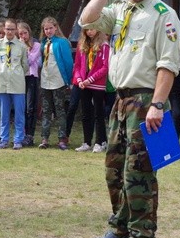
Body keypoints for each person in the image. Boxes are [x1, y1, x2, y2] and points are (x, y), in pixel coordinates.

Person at [81, 0, 180, 238]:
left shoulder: (163, 14)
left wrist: (158, 105)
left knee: (139, 170)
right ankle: (120, 227)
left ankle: (142, 236)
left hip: (146, 99)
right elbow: (86, 20)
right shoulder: (120, 9)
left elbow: (168, 65)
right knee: (114, 168)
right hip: (121, 99)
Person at [37, 16, 74, 150]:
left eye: (50, 28)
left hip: (58, 80)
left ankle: (62, 138)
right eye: (45, 29)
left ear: (56, 28)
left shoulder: (62, 42)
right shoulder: (43, 43)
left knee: (60, 110)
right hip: (45, 80)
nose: (48, 31)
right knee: (46, 110)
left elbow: (68, 62)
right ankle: (44, 138)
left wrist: (69, 80)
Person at [0, 18, 29, 150]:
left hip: (17, 83)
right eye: (7, 29)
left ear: (16, 31)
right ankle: (4, 139)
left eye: (12, 29)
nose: (9, 31)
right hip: (1, 82)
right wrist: (3, 73)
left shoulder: (22, 46)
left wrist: (16, 74)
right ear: (3, 29)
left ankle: (18, 139)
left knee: (19, 113)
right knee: (4, 113)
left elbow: (25, 66)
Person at [72, 28, 110, 153]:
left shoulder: (104, 45)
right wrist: (79, 79)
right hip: (83, 84)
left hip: (97, 84)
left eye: (92, 29)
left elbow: (105, 67)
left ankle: (100, 142)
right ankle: (86, 142)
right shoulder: (82, 44)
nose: (90, 32)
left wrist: (91, 79)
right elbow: (77, 65)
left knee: (98, 113)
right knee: (85, 113)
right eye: (87, 30)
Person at [17, 21, 41, 147]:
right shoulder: (17, 44)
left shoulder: (36, 44)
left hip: (31, 77)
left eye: (25, 33)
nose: (23, 36)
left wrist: (23, 49)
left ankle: (30, 135)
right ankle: (21, 133)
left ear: (29, 32)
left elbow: (30, 61)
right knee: (21, 107)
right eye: (20, 34)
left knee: (30, 107)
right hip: (20, 78)